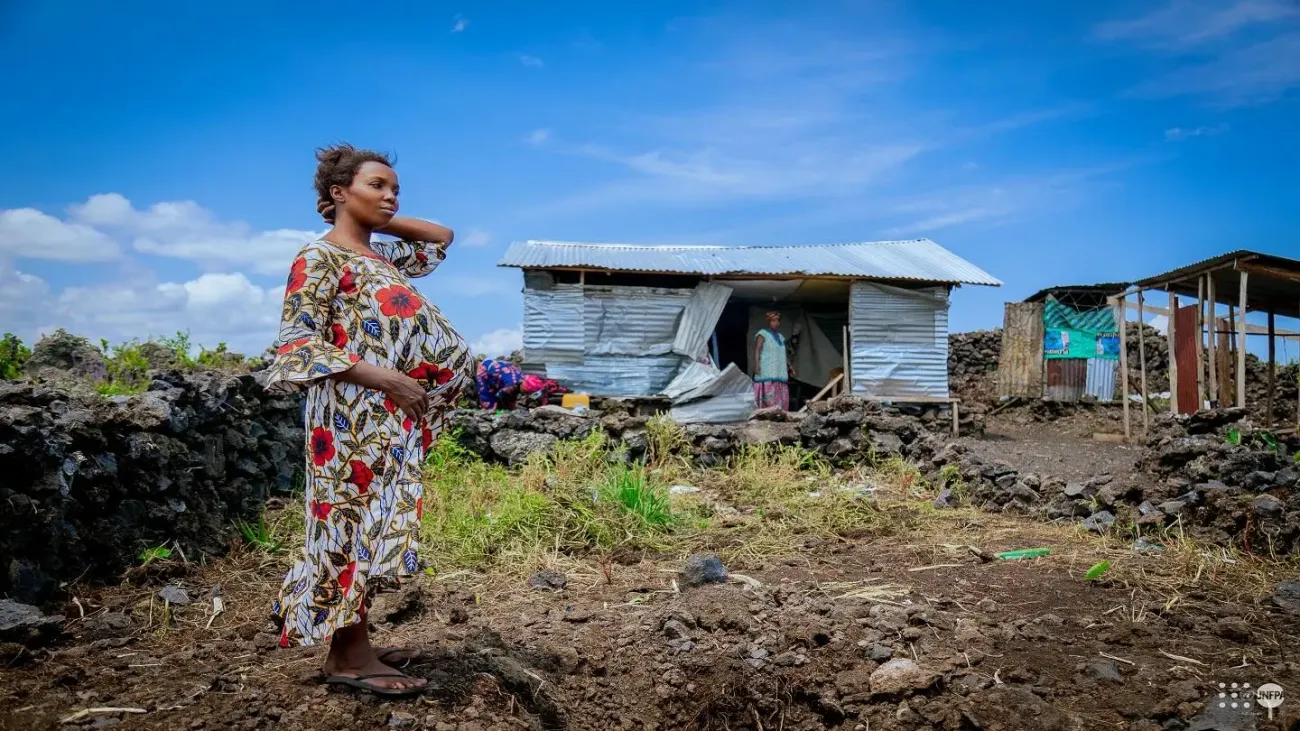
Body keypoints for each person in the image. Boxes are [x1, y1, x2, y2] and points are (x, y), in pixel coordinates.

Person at [264, 144, 472, 697]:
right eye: (377, 185)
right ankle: (348, 659)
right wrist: (386, 378)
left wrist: (370, 213)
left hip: (385, 422)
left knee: (372, 526)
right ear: (339, 191)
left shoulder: (377, 259)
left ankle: (356, 643)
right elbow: (296, 346)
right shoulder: (319, 257)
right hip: (349, 417)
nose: (391, 196)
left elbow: (441, 237)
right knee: (346, 526)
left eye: (396, 189)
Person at [753, 311, 795, 410]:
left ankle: (779, 414)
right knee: (768, 396)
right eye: (772, 321)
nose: (775, 323)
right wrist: (756, 365)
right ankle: (766, 413)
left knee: (780, 396)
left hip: (779, 371)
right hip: (767, 369)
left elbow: (783, 354)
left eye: (777, 321)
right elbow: (757, 350)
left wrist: (790, 366)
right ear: (769, 322)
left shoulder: (781, 337)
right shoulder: (762, 333)